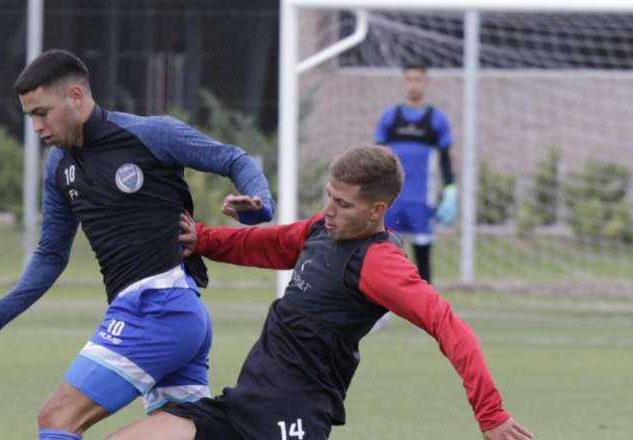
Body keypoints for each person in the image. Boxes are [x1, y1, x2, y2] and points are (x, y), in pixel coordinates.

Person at [0, 49, 275, 440]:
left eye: (42, 113)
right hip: (170, 315)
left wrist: (259, 206)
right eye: (30, 117)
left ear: (76, 96)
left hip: (158, 308)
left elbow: (234, 159)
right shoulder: (59, 166)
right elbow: (50, 255)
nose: (37, 127)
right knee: (177, 432)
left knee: (57, 419)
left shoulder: (150, 135)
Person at [108, 146, 531, 440]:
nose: (329, 210)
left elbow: (449, 326)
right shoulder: (321, 230)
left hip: (292, 422)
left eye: (343, 204)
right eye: (330, 196)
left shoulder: (380, 263)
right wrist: (202, 239)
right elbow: (271, 244)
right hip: (241, 409)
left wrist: (490, 413)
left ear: (377, 211)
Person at [375, 63, 456, 285]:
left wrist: (450, 190)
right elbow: (377, 158)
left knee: (423, 255)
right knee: (387, 255)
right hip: (393, 200)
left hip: (422, 200)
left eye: (418, 79)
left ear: (426, 83)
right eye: (409, 79)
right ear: (404, 82)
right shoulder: (390, 117)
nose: (413, 84)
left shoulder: (436, 119)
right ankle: (383, 303)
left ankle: (425, 303)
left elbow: (446, 158)